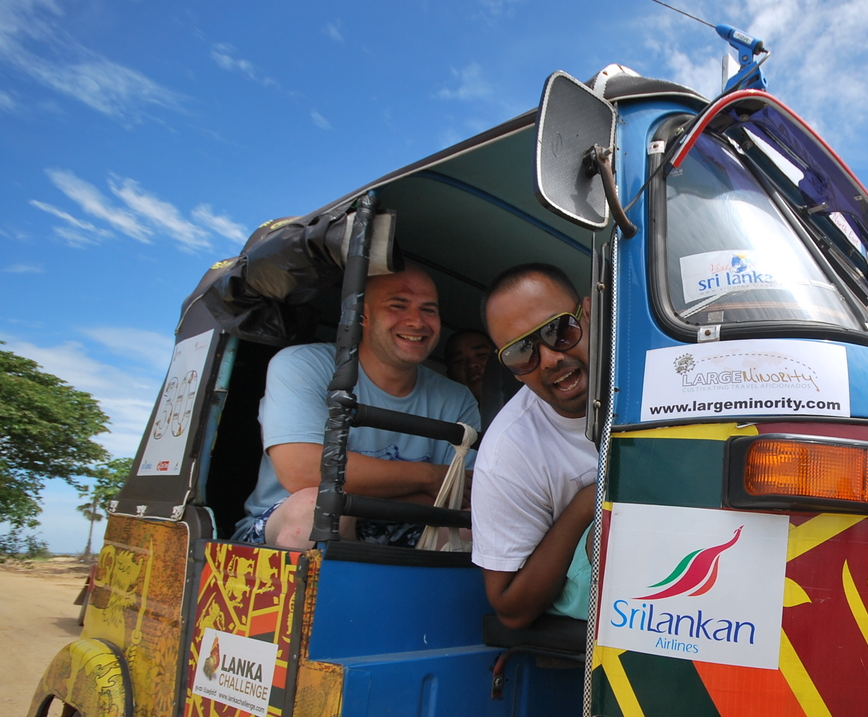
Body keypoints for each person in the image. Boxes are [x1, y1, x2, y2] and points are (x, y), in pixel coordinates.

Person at [236, 266, 481, 550]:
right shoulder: (303, 364)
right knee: (319, 508)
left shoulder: (457, 397)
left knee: (478, 523)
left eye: (428, 310)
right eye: (398, 305)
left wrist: (368, 490)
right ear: (362, 315)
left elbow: (463, 494)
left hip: (406, 524)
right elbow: (303, 471)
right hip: (284, 530)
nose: (416, 321)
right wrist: (430, 476)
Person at [470, 263, 597, 629]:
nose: (551, 359)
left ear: (589, 313)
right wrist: (588, 503)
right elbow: (509, 607)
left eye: (558, 331)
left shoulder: (662, 371)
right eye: (521, 352)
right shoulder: (508, 452)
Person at [444, 328, 521, 432]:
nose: (471, 364)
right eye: (459, 361)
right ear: (449, 375)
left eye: (481, 354)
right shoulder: (449, 421)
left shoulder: (529, 407)